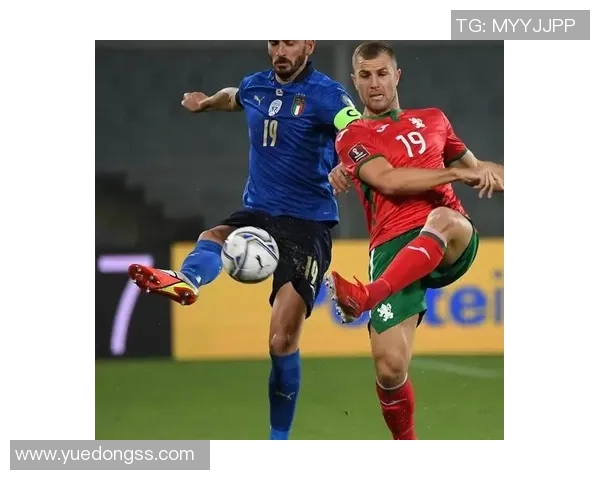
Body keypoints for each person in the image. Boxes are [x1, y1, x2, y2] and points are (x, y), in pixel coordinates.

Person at [128, 41, 362, 440]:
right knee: (213, 235)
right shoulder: (256, 85)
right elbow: (234, 97)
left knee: (281, 339)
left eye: (290, 41)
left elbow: (356, 130)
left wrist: (348, 163)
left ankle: (278, 439)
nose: (280, 50)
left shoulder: (327, 94)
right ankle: (187, 280)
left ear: (309, 44)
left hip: (308, 224)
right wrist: (207, 103)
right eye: (274, 41)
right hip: (259, 212)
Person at [325, 41, 503, 440]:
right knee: (389, 368)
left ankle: (367, 295)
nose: (374, 83)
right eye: (365, 75)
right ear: (354, 81)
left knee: (442, 219)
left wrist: (493, 175)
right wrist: (455, 174)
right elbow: (388, 180)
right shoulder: (352, 136)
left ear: (397, 76)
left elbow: (478, 169)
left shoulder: (434, 120)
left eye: (382, 73)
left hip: (451, 235)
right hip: (392, 247)